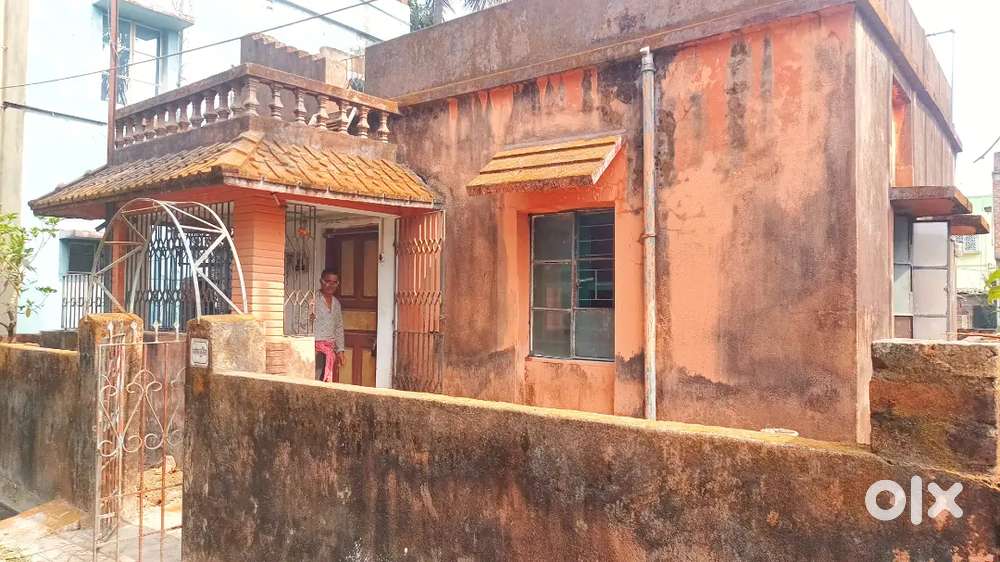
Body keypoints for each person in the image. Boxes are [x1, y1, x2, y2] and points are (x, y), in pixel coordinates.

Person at [311, 269, 345, 382]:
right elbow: (301, 323)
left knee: (326, 382)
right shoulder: (313, 300)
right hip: (315, 349)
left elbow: (339, 327)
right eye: (328, 281)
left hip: (330, 350)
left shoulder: (336, 304)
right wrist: (310, 344)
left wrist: (340, 351)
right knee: (315, 382)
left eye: (334, 282)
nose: (331, 285)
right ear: (321, 281)